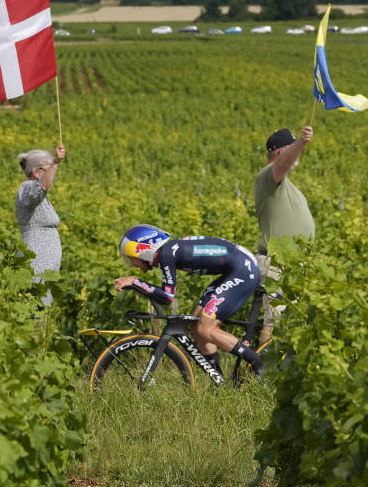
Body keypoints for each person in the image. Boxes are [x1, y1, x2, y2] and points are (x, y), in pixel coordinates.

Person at [114, 224, 264, 376]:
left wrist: (135, 281)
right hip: (235, 269)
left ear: (144, 249)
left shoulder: (166, 253)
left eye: (132, 258)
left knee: (205, 328)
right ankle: (219, 381)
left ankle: (258, 364)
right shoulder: (170, 250)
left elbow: (167, 297)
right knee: (195, 325)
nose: (132, 263)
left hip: (244, 271)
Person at [253, 126, 315, 339]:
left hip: (291, 264)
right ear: (280, 152)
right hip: (276, 264)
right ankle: (263, 371)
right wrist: (302, 142)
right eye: (291, 149)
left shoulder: (283, 183)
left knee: (290, 324)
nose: (296, 155)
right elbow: (283, 164)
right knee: (274, 323)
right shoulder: (269, 176)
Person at [16, 144, 66, 305]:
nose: (52, 173)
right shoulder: (27, 188)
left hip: (46, 261)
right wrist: (56, 162)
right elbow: (41, 187)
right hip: (37, 258)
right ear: (36, 172)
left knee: (43, 302)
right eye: (48, 168)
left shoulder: (41, 195)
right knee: (36, 302)